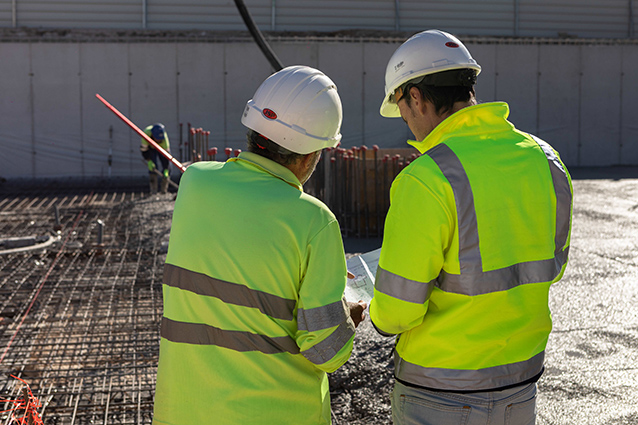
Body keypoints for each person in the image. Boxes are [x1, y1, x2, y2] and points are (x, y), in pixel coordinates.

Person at [369, 30, 573, 425]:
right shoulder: (546, 160)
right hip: (520, 386)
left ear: (415, 97)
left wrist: (374, 312)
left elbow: (396, 313)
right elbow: (553, 266)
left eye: (404, 108)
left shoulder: (427, 179)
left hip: (439, 391)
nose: (408, 123)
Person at [152, 65, 367, 425]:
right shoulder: (315, 221)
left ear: (253, 128)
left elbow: (239, 265)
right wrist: (347, 316)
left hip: (184, 410)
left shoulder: (194, 184)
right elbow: (325, 350)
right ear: (312, 153)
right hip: (276, 413)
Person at [141, 123, 171, 194]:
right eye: (157, 138)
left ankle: (164, 190)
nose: (158, 140)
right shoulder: (146, 134)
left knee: (168, 168)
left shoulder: (164, 141)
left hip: (161, 148)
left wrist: (166, 168)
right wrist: (149, 161)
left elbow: (166, 157)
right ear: (153, 135)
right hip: (150, 148)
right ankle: (153, 190)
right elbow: (144, 150)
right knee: (153, 168)